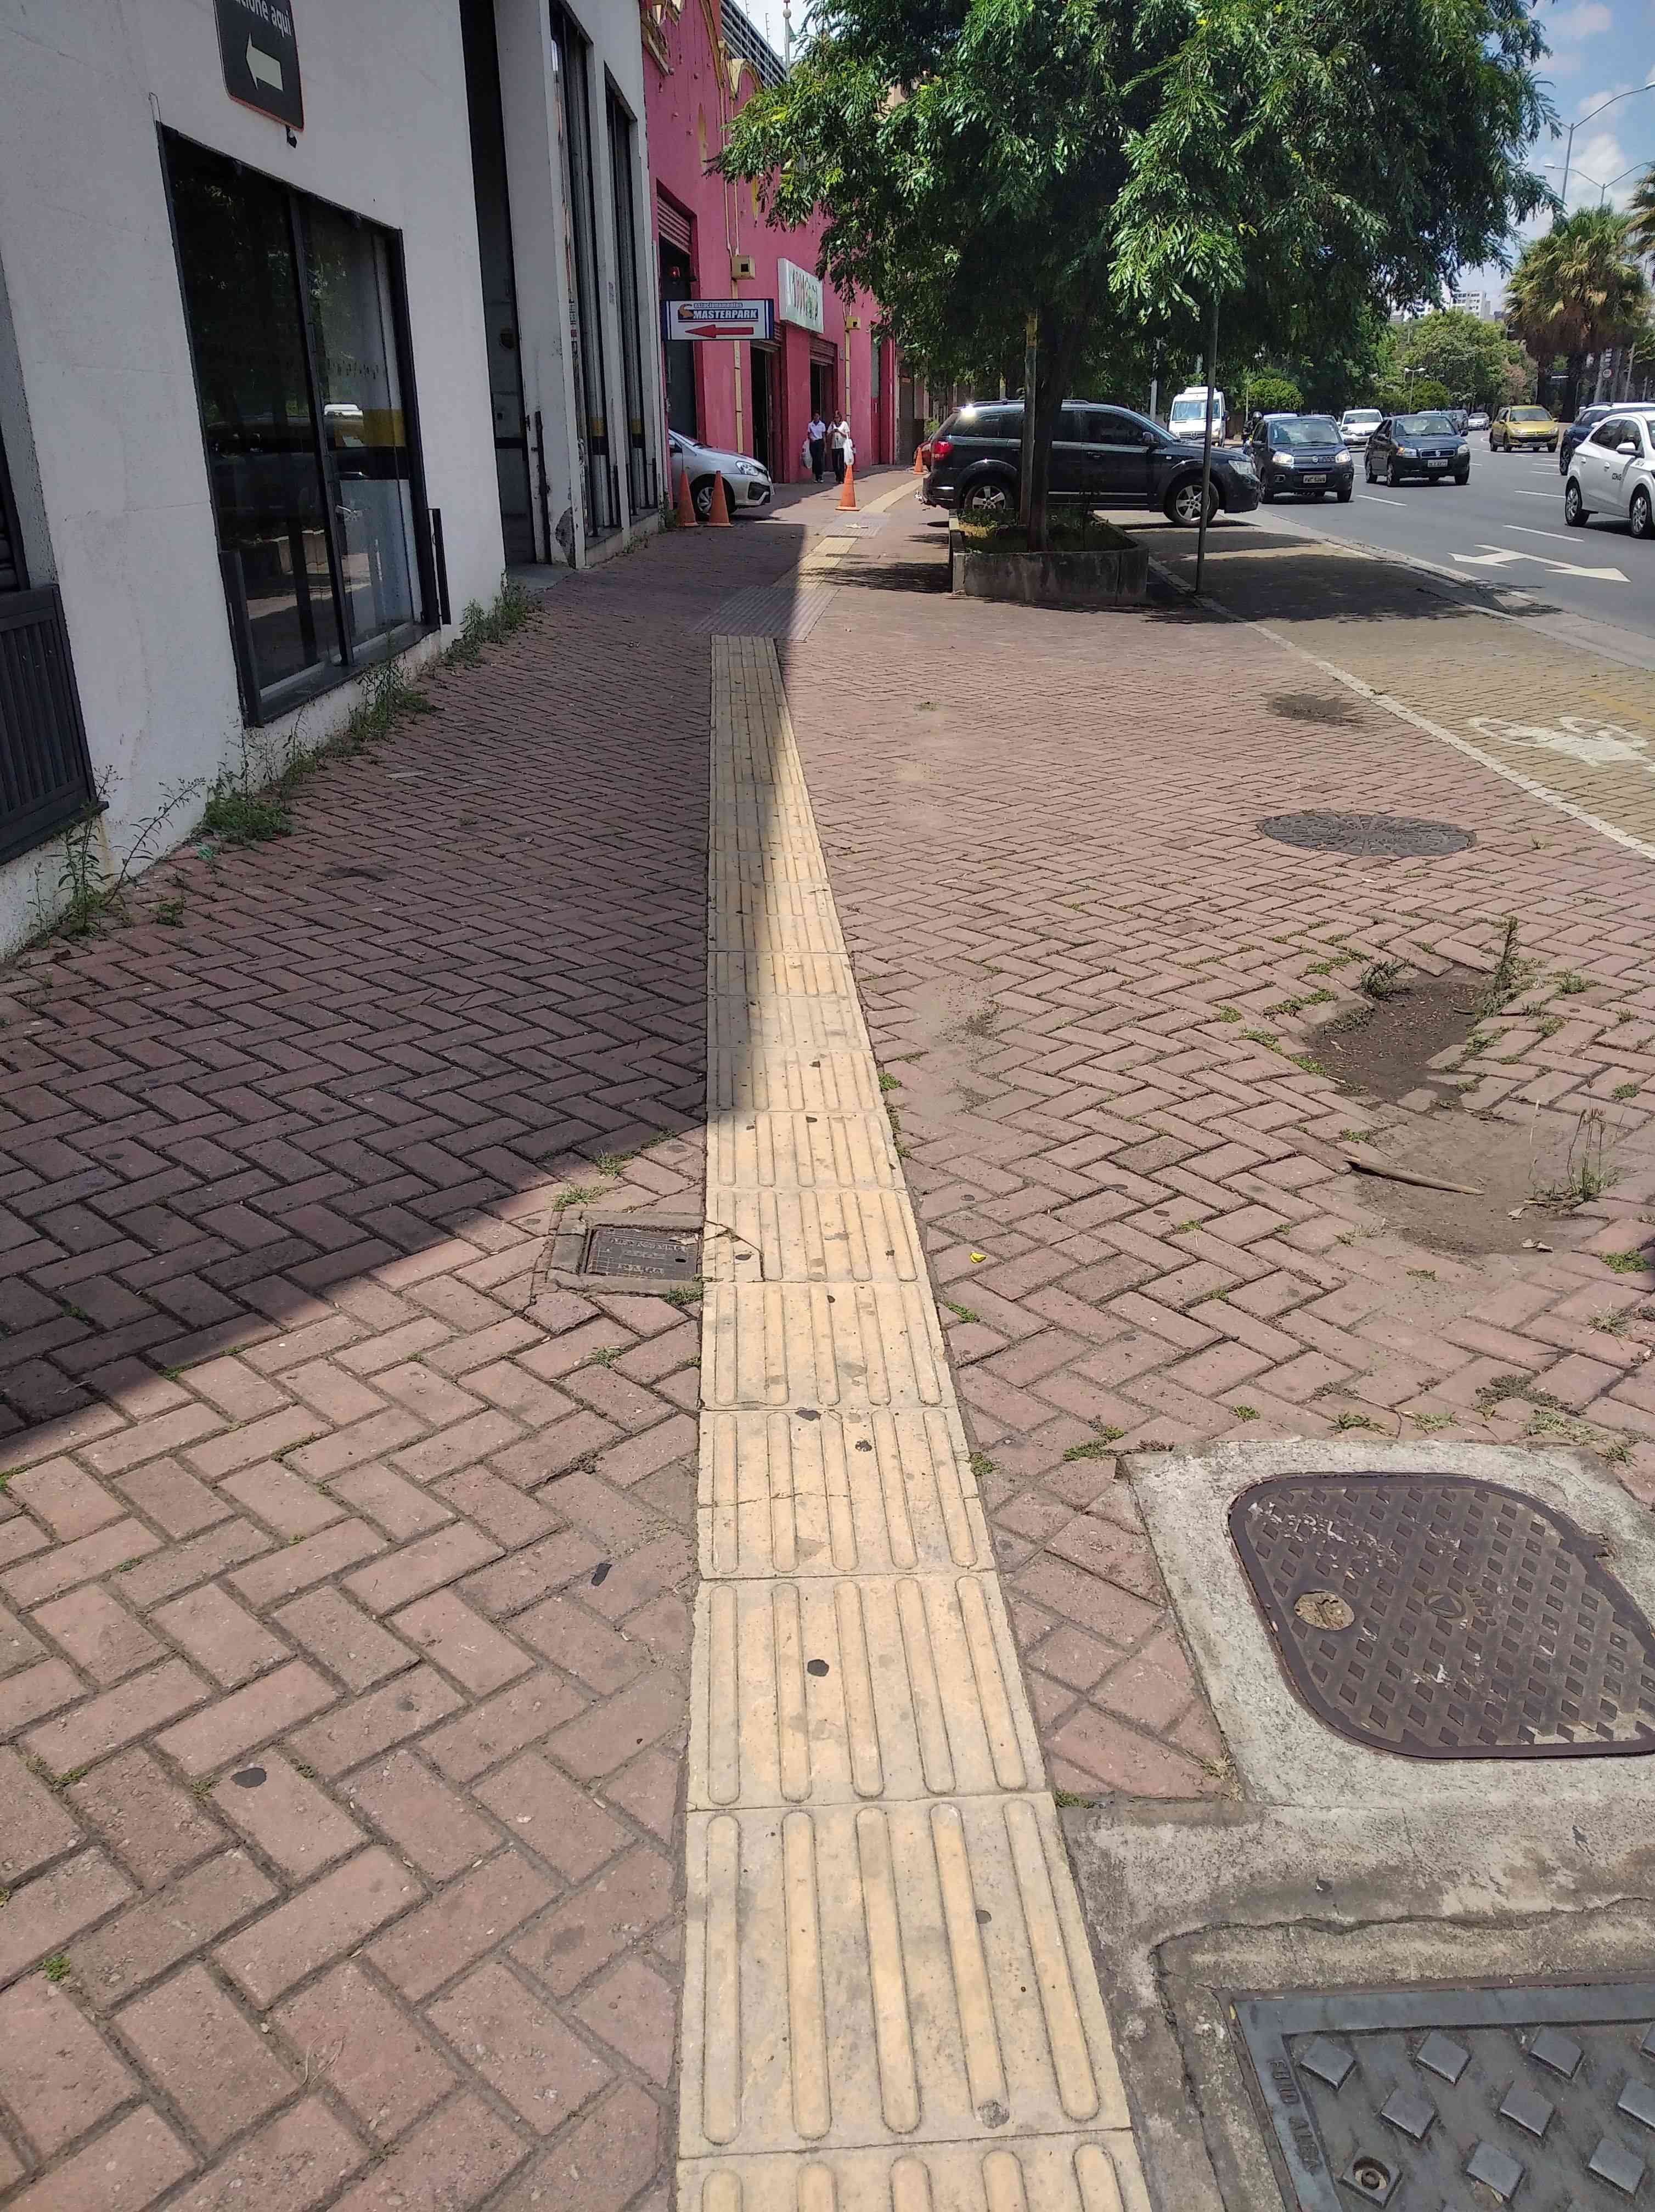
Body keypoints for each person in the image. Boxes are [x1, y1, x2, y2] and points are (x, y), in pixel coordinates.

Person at [829, 414, 850, 484]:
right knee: (835, 463)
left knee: (841, 463)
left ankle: (842, 478)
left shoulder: (844, 424)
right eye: (835, 418)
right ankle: (838, 476)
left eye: (837, 418)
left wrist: (839, 432)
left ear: (840, 418)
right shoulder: (832, 425)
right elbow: (828, 434)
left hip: (842, 446)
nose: (836, 419)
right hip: (834, 446)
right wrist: (832, 431)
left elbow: (847, 435)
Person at [807, 412, 827, 482]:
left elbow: (823, 435)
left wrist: (825, 445)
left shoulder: (822, 425)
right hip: (813, 442)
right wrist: (811, 438)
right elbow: (809, 434)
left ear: (819, 417)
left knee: (819, 459)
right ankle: (816, 476)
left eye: (817, 416)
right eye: (815, 416)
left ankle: (820, 475)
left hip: (820, 442)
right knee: (815, 459)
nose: (816, 418)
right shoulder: (810, 425)